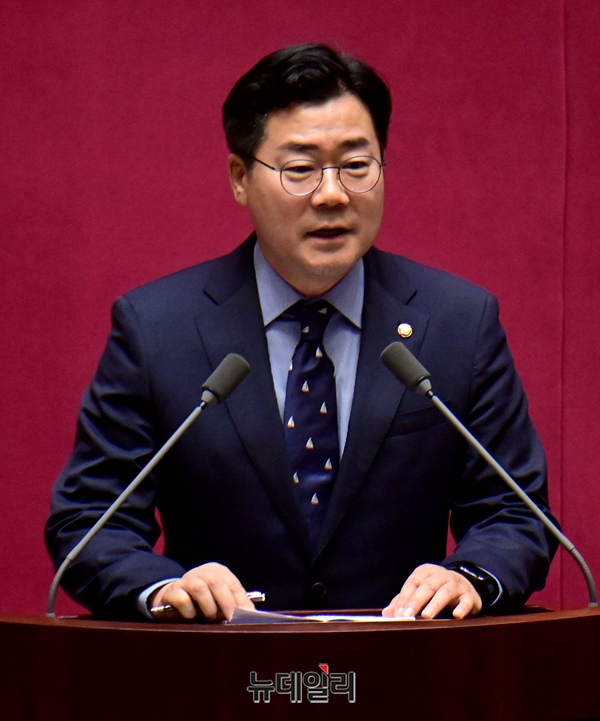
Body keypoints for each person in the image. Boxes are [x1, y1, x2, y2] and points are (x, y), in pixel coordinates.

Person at [46, 43, 556, 622]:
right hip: (215, 665)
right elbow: (90, 520)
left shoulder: (459, 322)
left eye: (356, 165)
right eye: (300, 169)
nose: (332, 193)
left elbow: (516, 514)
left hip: (406, 662)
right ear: (240, 178)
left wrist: (468, 578)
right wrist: (166, 588)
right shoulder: (157, 329)